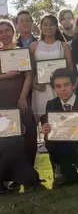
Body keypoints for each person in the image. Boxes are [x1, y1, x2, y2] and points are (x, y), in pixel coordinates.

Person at [0, 19, 40, 193]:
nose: (4, 34)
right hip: (2, 103)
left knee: (29, 134)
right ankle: (6, 178)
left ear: (12, 31)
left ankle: (26, 176)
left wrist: (23, 97)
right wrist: (5, 76)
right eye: (0, 31)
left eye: (7, 30)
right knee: (7, 140)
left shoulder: (21, 52)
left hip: (21, 100)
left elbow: (29, 76)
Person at [30, 15, 73, 123]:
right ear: (40, 27)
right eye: (45, 24)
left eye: (52, 24)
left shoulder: (63, 45)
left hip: (60, 89)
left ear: (56, 27)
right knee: (44, 123)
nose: (48, 27)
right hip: (41, 90)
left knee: (62, 121)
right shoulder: (34, 46)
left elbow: (70, 69)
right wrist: (33, 84)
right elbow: (30, 70)